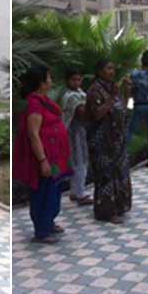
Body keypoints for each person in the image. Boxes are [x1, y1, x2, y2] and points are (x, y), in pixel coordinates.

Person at [14, 66, 71, 243]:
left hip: (55, 157)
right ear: (41, 83)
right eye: (49, 78)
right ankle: (42, 231)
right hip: (45, 157)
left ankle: (49, 222)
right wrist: (42, 160)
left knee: (54, 190)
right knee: (43, 193)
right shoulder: (35, 104)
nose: (51, 81)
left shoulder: (44, 101)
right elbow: (33, 134)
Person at [86, 60, 132, 224]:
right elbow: (97, 114)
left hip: (118, 139)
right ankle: (107, 211)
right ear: (99, 71)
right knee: (106, 175)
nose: (112, 71)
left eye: (113, 68)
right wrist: (112, 98)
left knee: (120, 173)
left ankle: (119, 206)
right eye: (108, 68)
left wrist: (125, 92)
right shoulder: (94, 91)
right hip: (102, 142)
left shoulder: (113, 88)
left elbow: (122, 109)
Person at [61, 69, 92, 205]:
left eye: (79, 79)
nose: (76, 82)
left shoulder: (80, 93)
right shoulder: (71, 96)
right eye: (73, 79)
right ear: (68, 81)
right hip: (73, 131)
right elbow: (81, 112)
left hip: (80, 130)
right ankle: (80, 194)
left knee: (78, 161)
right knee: (79, 162)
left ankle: (74, 191)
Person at [127, 50, 148, 168]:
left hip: (140, 104)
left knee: (131, 130)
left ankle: (124, 154)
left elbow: (131, 88)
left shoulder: (135, 74)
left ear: (142, 60)